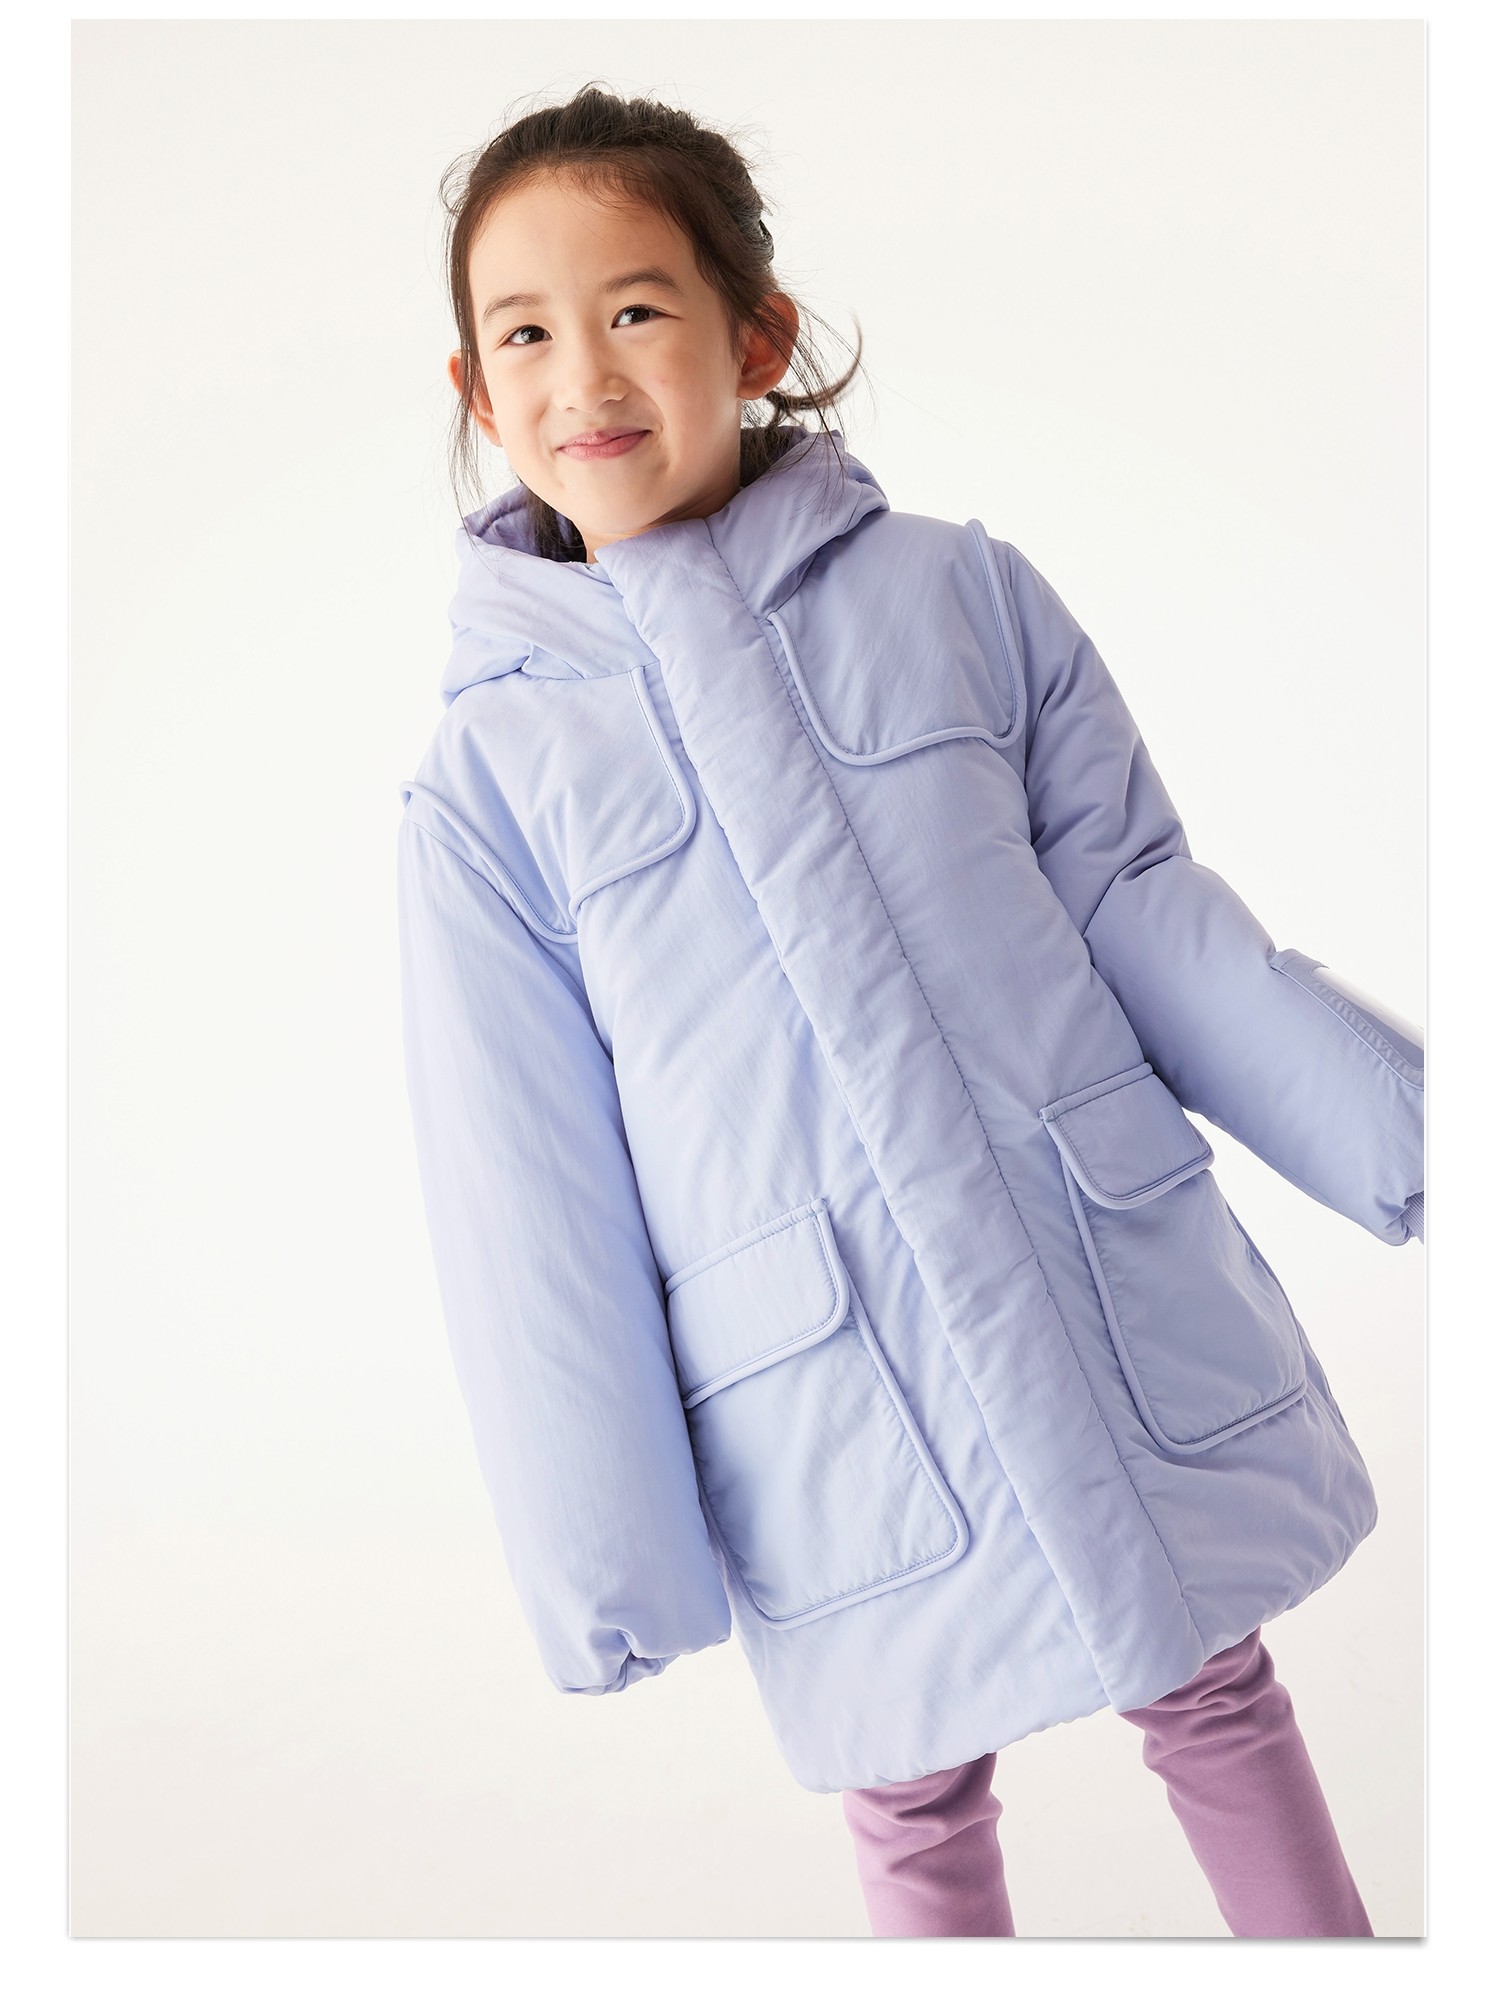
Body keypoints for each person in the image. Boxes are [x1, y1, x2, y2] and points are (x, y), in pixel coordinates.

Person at [395, 83, 1424, 1939]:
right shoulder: (490, 785)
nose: (584, 375)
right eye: (524, 336)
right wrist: (602, 1547)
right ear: (476, 390)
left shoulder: (956, 593)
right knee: (911, 1786)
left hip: (1088, 1276)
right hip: (827, 1379)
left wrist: (1409, 1128)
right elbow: (527, 1194)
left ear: (756, 338)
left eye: (635, 308)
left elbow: (1136, 903)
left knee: (1212, 1678)